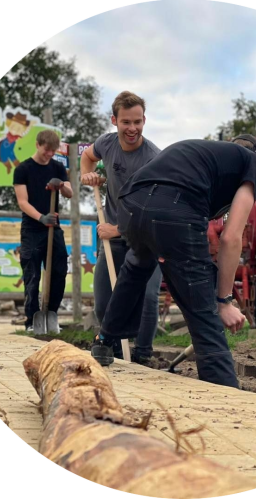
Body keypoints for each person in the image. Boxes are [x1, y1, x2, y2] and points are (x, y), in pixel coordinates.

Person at [97, 135, 256, 388]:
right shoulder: (254, 164)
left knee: (136, 268)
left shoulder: (205, 153)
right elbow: (231, 238)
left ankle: (103, 341)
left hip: (130, 203)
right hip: (174, 210)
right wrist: (223, 301)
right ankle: (225, 391)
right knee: (201, 306)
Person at [80, 91, 162, 364]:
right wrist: (87, 174)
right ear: (114, 121)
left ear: (144, 120)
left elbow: (151, 212)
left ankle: (143, 355)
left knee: (148, 297)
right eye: (126, 122)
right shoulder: (106, 143)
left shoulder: (153, 159)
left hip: (146, 238)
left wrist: (116, 229)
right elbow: (88, 157)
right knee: (104, 301)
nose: (132, 129)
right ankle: (112, 351)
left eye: (137, 122)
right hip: (113, 237)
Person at [13, 129, 73, 331]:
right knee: (32, 276)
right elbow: (22, 202)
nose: (49, 154)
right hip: (32, 229)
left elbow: (70, 193)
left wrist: (61, 184)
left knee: (59, 271)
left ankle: (51, 315)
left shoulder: (57, 167)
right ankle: (32, 320)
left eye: (53, 151)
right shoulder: (23, 169)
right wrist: (41, 217)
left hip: (53, 229)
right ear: (38, 145)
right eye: (47, 150)